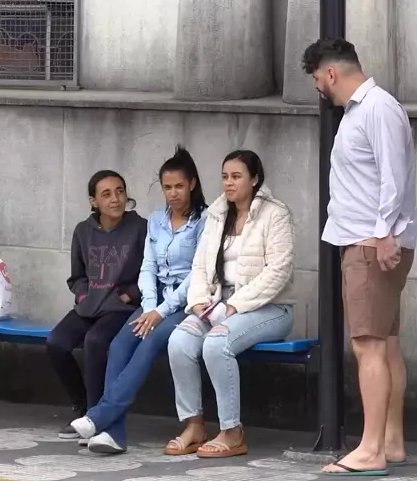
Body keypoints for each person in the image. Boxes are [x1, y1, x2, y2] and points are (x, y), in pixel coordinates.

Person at [302, 38, 416, 477]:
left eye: (317, 78)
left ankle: (370, 450)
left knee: (367, 345)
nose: (319, 88)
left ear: (330, 73)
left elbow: (394, 176)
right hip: (371, 241)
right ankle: (390, 442)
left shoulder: (376, 108)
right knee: (385, 344)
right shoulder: (364, 111)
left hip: (370, 244)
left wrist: (384, 233)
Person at [70, 146, 207, 453]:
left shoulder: (205, 221)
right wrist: (148, 307)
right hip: (154, 302)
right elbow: (148, 267)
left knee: (149, 342)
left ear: (192, 184)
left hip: (186, 304)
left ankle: (100, 417)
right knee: (119, 344)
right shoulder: (156, 220)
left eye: (179, 186)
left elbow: (197, 274)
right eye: (167, 187)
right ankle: (114, 434)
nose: (173, 193)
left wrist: (161, 311)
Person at [165, 150, 294, 459]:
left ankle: (232, 432)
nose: (229, 183)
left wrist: (234, 305)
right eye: (224, 177)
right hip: (218, 303)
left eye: (236, 176)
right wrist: (199, 302)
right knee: (179, 340)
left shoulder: (276, 214)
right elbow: (200, 266)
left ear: (254, 179)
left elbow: (279, 271)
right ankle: (194, 425)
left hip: (270, 308)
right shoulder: (217, 214)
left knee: (216, 343)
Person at [47, 170, 147, 439]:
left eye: (120, 192)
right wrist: (84, 296)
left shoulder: (141, 228)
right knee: (56, 342)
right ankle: (81, 407)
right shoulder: (83, 231)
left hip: (120, 309)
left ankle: (95, 416)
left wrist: (131, 294)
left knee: (96, 341)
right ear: (94, 201)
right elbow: (77, 278)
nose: (115, 199)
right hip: (89, 306)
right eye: (106, 194)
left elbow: (153, 270)